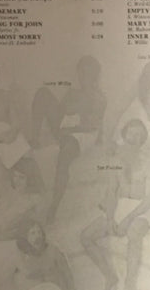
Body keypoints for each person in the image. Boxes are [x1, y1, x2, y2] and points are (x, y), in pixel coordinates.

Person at [80, 119, 150, 290]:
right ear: (124, 135)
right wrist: (110, 218)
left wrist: (127, 219)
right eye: (131, 133)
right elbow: (111, 193)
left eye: (139, 135)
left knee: (133, 233)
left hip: (142, 209)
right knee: (86, 236)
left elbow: (149, 198)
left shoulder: (148, 161)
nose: (134, 138)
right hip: (121, 207)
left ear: (143, 139)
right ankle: (111, 277)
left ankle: (129, 287)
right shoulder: (115, 161)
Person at [29, 55, 107, 222]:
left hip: (83, 135)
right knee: (42, 93)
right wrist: (65, 117)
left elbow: (92, 127)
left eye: (87, 74)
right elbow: (62, 111)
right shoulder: (73, 92)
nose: (83, 77)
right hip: (66, 129)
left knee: (64, 155)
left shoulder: (99, 98)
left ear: (94, 76)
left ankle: (54, 206)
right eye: (81, 73)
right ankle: (33, 140)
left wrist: (69, 127)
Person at [0, 221, 96, 290]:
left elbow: (66, 272)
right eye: (32, 233)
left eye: (39, 232)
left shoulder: (53, 250)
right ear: (25, 237)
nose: (37, 236)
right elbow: (6, 283)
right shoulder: (21, 257)